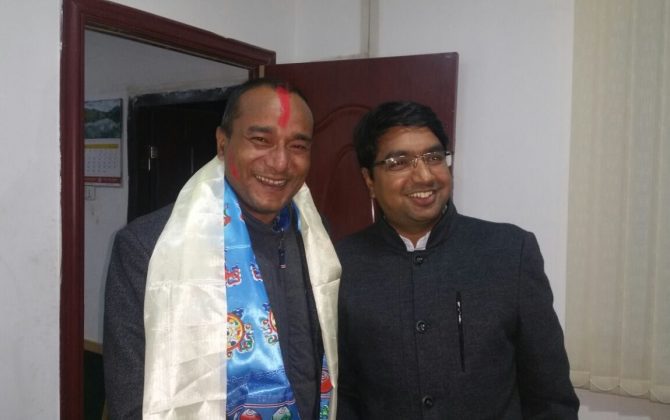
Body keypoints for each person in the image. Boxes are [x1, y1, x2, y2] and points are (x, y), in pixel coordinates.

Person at [104, 78, 340, 420]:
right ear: (222, 142)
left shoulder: (317, 237)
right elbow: (131, 402)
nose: (280, 162)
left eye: (298, 146)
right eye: (261, 140)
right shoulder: (149, 246)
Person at [336, 101, 579, 419]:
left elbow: (551, 398)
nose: (424, 175)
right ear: (369, 180)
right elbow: (342, 394)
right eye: (400, 162)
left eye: (434, 157)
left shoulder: (509, 252)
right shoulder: (341, 264)